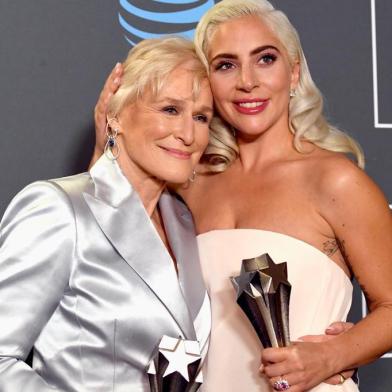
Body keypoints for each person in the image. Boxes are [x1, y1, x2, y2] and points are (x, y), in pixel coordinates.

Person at [94, 0, 392, 391]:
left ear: (294, 71)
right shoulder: (188, 182)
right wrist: (106, 142)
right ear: (208, 82)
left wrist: (332, 356)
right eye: (225, 65)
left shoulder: (335, 181)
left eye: (265, 59)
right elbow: (99, 258)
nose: (246, 81)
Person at [0, 37, 214, 391]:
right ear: (115, 116)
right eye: (170, 110)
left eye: (201, 117)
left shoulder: (184, 223)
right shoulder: (58, 208)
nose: (188, 134)